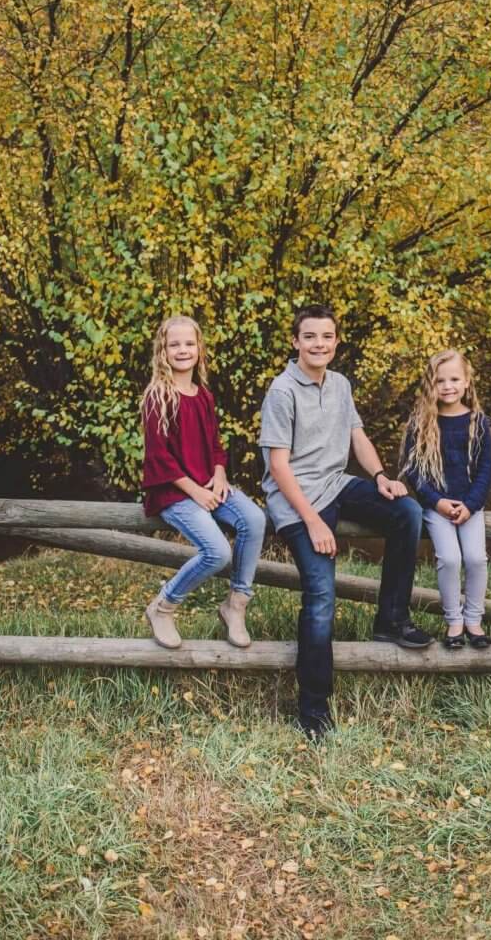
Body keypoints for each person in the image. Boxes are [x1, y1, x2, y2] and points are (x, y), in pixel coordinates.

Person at [259, 304, 430, 740]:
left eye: (327, 336)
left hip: (336, 483)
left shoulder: (340, 384)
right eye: (310, 336)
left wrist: (380, 478)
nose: (319, 344)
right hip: (296, 499)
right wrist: (314, 522)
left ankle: (391, 619)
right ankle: (313, 710)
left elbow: (357, 436)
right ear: (296, 342)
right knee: (321, 596)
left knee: (407, 511)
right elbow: (279, 467)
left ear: (336, 342)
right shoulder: (282, 391)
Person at [141, 315, 267, 650]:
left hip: (208, 484)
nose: (182, 350)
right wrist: (196, 491)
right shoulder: (158, 396)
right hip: (174, 491)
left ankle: (235, 605)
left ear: (199, 348)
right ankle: (163, 606)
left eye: (189, 343)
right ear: (162, 352)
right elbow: (159, 456)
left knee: (254, 519)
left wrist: (219, 473)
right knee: (217, 552)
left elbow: (215, 445)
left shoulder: (204, 395)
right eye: (174, 344)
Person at [399, 350, 491, 649]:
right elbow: (414, 472)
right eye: (440, 380)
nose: (448, 386)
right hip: (437, 507)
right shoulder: (421, 422)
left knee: (476, 558)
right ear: (431, 384)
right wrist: (437, 502)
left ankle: (474, 621)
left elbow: (484, 471)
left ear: (467, 382)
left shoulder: (479, 422)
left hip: (470, 506)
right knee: (450, 559)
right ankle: (454, 621)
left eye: (455, 379)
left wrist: (471, 504)